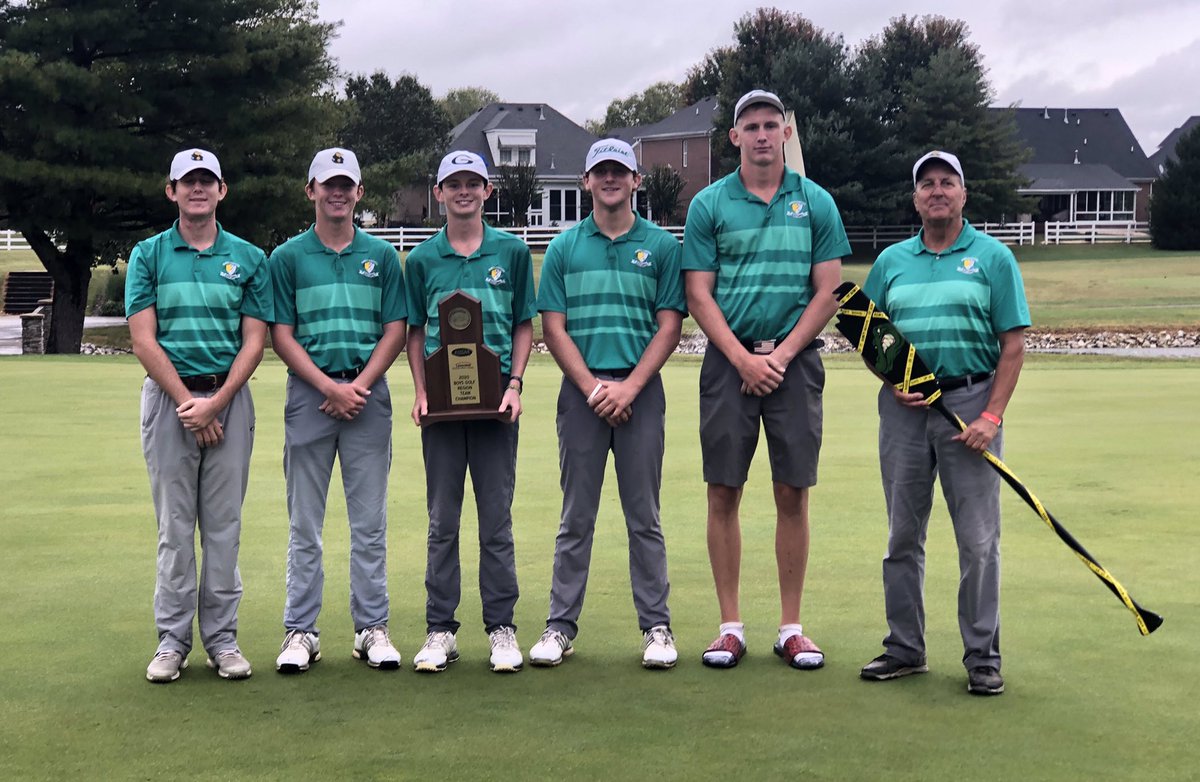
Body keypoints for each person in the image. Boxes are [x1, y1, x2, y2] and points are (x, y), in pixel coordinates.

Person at [682, 89, 849, 670]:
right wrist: (744, 359)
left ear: (785, 134)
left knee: (791, 492)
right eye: (749, 126)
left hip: (795, 365)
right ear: (734, 137)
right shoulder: (709, 204)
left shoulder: (816, 202)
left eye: (770, 125)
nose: (760, 134)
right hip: (729, 365)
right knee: (723, 491)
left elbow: (828, 290)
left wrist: (779, 356)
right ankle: (730, 627)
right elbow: (698, 293)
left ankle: (791, 627)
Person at [859, 150, 1030, 696]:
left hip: (971, 403)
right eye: (927, 184)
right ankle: (905, 648)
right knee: (901, 536)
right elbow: (870, 336)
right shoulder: (891, 262)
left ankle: (983, 656)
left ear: (963, 194)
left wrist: (991, 416)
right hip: (905, 412)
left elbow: (1013, 345)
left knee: (978, 542)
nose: (937, 191)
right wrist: (890, 378)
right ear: (916, 198)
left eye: (947, 182)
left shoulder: (993, 258)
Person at [528, 139, 685, 669]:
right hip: (582, 398)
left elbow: (669, 325)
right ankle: (560, 626)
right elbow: (554, 326)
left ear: (636, 180)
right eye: (602, 172)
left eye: (621, 171)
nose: (611, 179)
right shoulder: (565, 248)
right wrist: (595, 388)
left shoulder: (662, 247)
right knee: (576, 516)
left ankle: (657, 628)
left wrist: (629, 387)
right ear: (586, 182)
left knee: (644, 516)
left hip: (640, 394)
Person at [127, 148, 272, 682]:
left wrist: (217, 402)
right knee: (174, 528)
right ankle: (172, 640)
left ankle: (222, 640)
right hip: (170, 403)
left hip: (228, 401)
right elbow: (143, 339)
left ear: (221, 190)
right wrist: (192, 404)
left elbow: (254, 342)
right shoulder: (148, 254)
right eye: (188, 182)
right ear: (172, 191)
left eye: (207, 181)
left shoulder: (249, 258)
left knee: (224, 529)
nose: (198, 190)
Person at [269, 147, 407, 673]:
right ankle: (300, 632)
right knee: (305, 523)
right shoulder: (287, 258)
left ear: (359, 193)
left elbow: (395, 328)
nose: (337, 192)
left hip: (367, 397)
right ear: (311, 191)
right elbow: (281, 333)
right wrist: (328, 385)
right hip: (310, 396)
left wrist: (358, 386)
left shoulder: (382, 256)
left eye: (346, 184)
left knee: (369, 522)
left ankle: (372, 628)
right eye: (328, 184)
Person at [404, 150, 536, 673]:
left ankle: (501, 629)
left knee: (496, 521)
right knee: (442, 521)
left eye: (472, 183)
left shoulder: (513, 252)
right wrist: (419, 390)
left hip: (495, 404)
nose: (463, 191)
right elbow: (415, 332)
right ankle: (440, 630)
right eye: (453, 183)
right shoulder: (421, 261)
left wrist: (516, 383)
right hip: (440, 408)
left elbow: (524, 322)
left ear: (487, 190)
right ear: (438, 193)